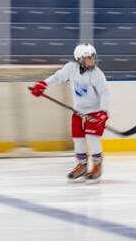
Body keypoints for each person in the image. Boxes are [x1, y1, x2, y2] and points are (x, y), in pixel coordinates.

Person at [30, 43, 109, 183]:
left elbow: (104, 93)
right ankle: (82, 165)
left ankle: (97, 166)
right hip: (78, 111)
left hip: (95, 112)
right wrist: (43, 84)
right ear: (79, 59)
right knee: (78, 139)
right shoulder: (71, 68)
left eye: (93, 57)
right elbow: (58, 77)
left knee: (92, 138)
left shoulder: (97, 74)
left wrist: (103, 112)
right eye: (88, 58)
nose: (92, 61)